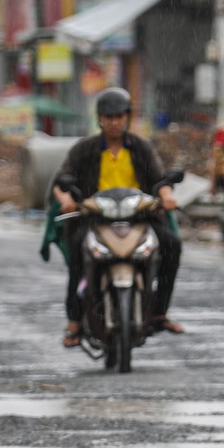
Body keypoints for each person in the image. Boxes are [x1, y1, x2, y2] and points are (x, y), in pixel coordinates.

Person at [51, 88, 184, 347]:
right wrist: (66, 200)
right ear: (99, 118)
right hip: (95, 219)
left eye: (119, 117)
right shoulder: (85, 149)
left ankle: (159, 312)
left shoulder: (141, 147)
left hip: (140, 217)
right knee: (78, 254)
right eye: (108, 117)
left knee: (172, 246)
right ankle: (75, 321)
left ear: (127, 118)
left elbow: (159, 180)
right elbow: (60, 180)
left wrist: (167, 197)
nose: (114, 122)